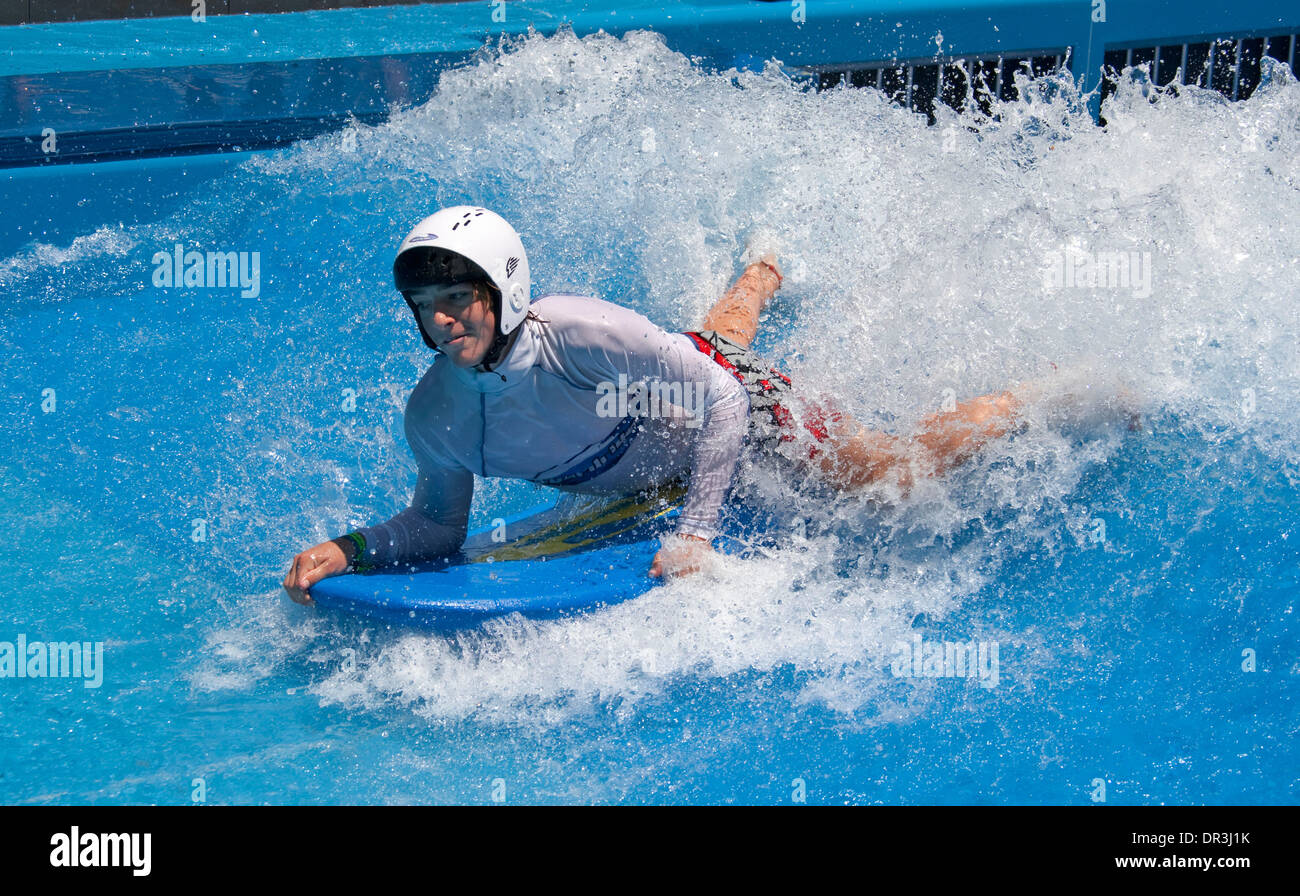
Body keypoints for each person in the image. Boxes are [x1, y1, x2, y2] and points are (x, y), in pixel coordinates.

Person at [283, 206, 1023, 605]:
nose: (443, 322)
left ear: (502, 293)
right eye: (425, 307)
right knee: (712, 338)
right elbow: (440, 525)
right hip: (679, 397)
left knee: (888, 476)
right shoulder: (436, 416)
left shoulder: (577, 331)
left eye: (457, 299)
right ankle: (761, 269)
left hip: (741, 410)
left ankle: (1040, 398)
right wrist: (351, 549)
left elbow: (724, 395)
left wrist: (696, 533)